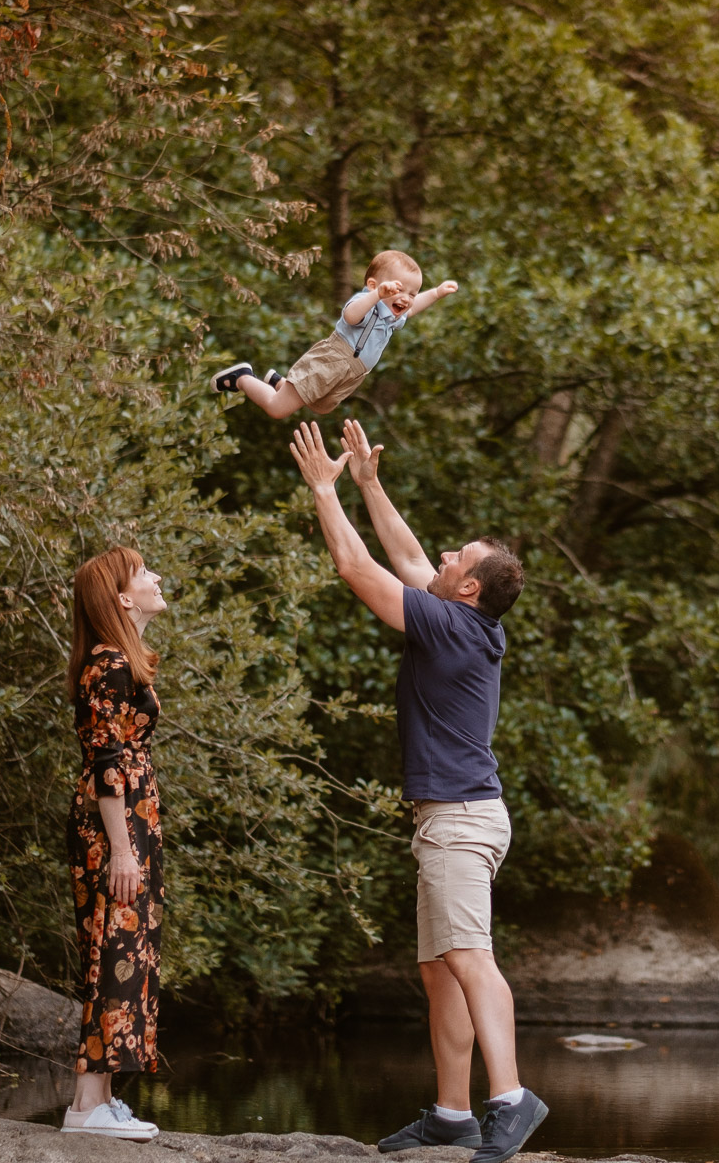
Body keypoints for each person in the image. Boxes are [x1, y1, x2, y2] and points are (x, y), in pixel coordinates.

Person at [286, 420, 548, 1163]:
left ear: (467, 586)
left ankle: (510, 1100)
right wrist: (370, 483)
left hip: (461, 820)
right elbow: (404, 555)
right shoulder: (461, 620)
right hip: (455, 819)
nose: (438, 553)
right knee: (440, 970)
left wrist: (325, 491)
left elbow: (359, 567)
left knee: (468, 957)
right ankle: (451, 1116)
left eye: (455, 556)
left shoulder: (450, 626)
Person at [60, 547, 168, 1141]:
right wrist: (123, 850)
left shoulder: (122, 660)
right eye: (144, 573)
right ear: (122, 599)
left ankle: (96, 1098)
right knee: (113, 950)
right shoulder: (108, 665)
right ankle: (85, 1105)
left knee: (122, 949)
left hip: (130, 822)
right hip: (114, 828)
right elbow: (106, 764)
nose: (155, 578)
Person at [212, 250, 458, 417]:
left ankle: (281, 384)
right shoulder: (368, 301)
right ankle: (243, 377)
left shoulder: (392, 316)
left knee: (321, 407)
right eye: (399, 290)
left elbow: (411, 311)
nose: (406, 298)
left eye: (412, 294)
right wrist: (377, 296)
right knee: (278, 409)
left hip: (354, 372)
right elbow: (350, 316)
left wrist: (435, 293)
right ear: (374, 285)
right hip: (333, 359)